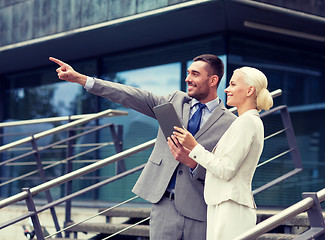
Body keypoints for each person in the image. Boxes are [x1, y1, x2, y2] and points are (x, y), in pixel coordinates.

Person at [49, 54, 237, 240]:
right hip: (164, 206)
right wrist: (81, 79)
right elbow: (129, 95)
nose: (187, 78)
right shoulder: (175, 100)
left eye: (195, 74)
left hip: (200, 211)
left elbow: (227, 171)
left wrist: (193, 163)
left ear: (213, 80)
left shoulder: (230, 123)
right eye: (188, 73)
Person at [167, 66, 273, 240]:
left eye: (232, 84)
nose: (226, 89)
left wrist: (195, 147)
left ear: (249, 90)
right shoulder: (245, 122)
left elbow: (226, 169)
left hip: (231, 207)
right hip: (224, 204)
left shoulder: (246, 122)